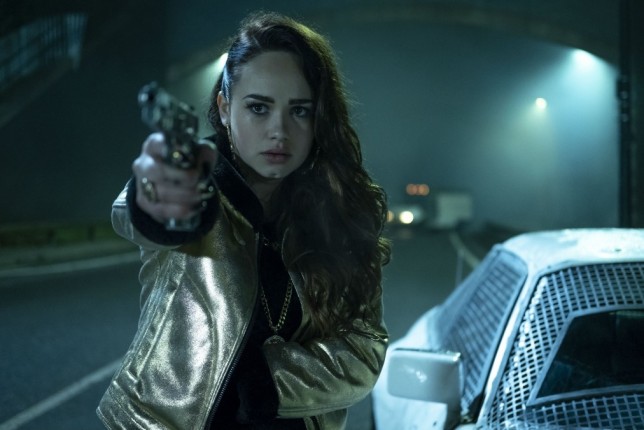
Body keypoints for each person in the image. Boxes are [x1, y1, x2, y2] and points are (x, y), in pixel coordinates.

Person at [97, 11, 391, 430]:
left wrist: (262, 382)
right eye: (258, 107)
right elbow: (142, 211)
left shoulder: (342, 216)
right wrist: (158, 197)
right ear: (225, 108)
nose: (279, 131)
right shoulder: (197, 188)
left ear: (320, 119)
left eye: (300, 111)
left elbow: (363, 352)